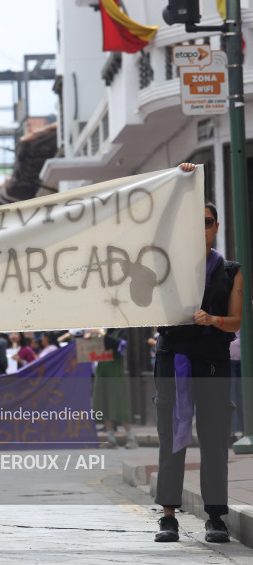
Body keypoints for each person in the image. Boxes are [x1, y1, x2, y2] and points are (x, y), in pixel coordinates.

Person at [154, 165, 243, 544]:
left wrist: (214, 319)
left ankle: (215, 519)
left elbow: (237, 321)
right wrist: (179, 183)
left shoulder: (231, 271)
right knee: (171, 438)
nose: (201, 228)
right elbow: (156, 230)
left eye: (207, 222)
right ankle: (169, 516)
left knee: (213, 438)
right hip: (173, 359)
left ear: (216, 226)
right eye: (194, 223)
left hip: (213, 362)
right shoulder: (168, 266)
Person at [92, 328, 137, 450]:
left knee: (119, 406)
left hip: (115, 375)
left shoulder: (121, 332)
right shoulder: (104, 332)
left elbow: (118, 344)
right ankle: (111, 439)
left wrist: (100, 333)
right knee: (105, 406)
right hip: (101, 374)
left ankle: (131, 438)